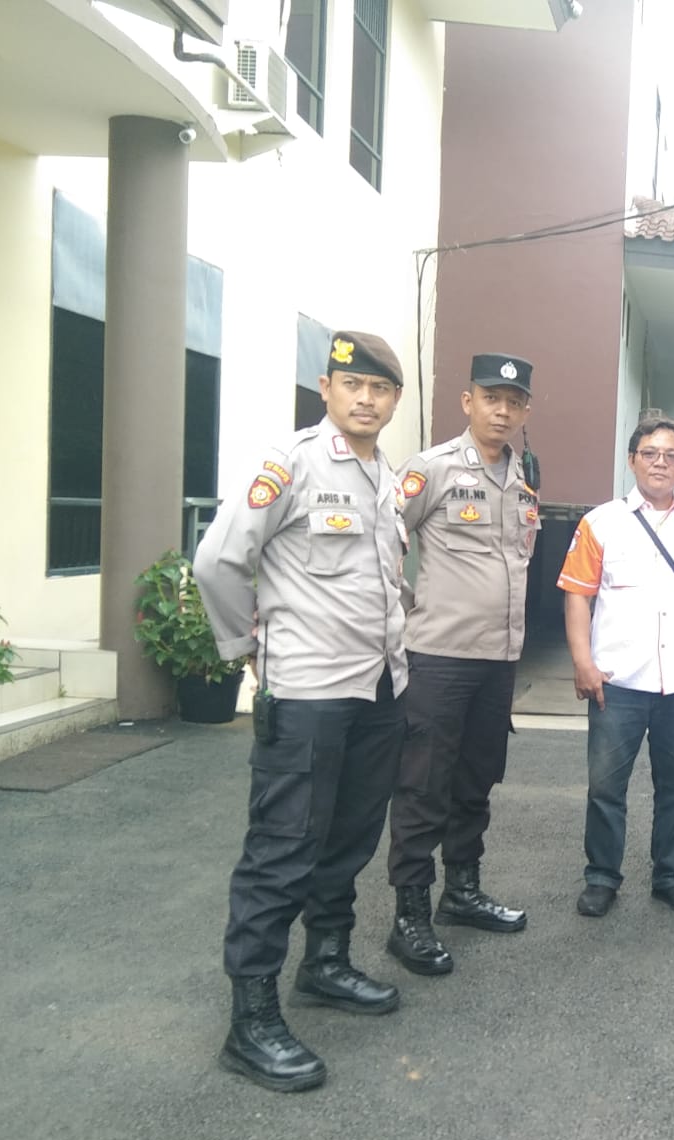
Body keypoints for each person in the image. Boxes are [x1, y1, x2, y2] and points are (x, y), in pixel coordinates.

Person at [194, 330, 410, 1093]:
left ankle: (325, 962)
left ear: (394, 400)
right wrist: (246, 649)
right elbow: (218, 562)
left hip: (377, 686)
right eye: (353, 385)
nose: (366, 399)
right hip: (310, 690)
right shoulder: (290, 463)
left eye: (380, 389)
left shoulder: (385, 475)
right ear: (326, 389)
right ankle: (250, 1020)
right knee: (282, 849)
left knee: (349, 837)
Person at [383, 353, 539, 978]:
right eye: (490, 398)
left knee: (476, 779)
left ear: (525, 410)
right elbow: (381, 541)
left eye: (514, 401)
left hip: (498, 660)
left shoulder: (523, 475)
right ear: (467, 401)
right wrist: (405, 611)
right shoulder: (433, 468)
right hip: (440, 657)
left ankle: (462, 890)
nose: (502, 410)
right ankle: (409, 915)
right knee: (424, 785)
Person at [557, 415, 674, 918]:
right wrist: (582, 662)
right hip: (618, 681)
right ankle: (602, 877)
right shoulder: (601, 522)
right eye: (650, 453)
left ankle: (671, 876)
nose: (660, 463)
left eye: (670, 455)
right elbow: (578, 596)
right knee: (606, 787)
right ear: (632, 460)